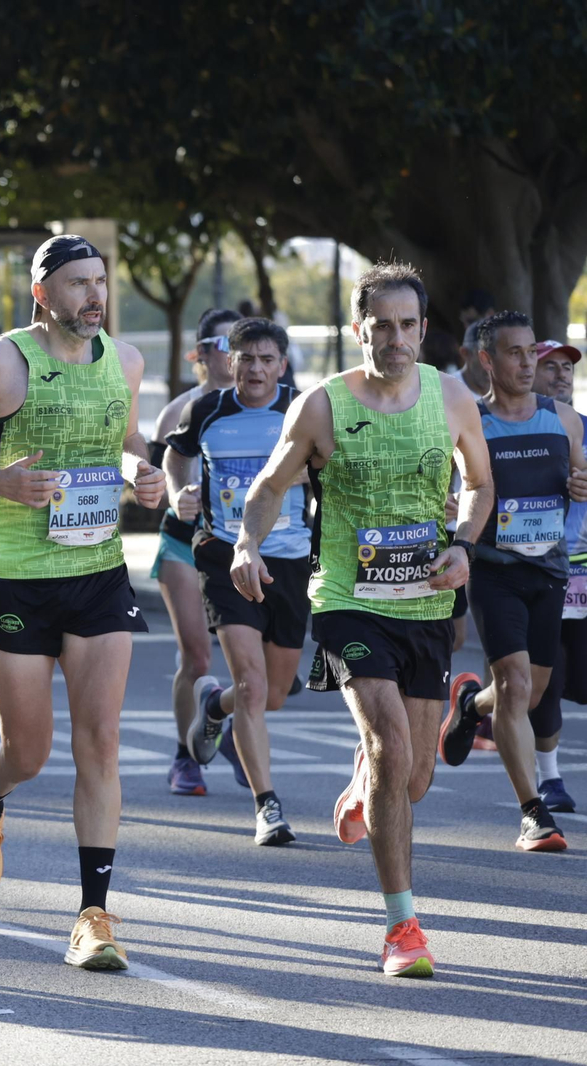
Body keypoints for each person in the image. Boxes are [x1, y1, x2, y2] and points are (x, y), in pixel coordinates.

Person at [229, 261, 492, 978]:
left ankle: (364, 782)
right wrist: (248, 543)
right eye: (382, 326)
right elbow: (268, 486)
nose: (396, 339)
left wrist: (464, 545)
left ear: (424, 329)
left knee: (412, 780)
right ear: (358, 330)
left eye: (409, 326)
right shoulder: (322, 405)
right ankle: (402, 927)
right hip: (347, 597)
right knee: (388, 746)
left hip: (428, 600)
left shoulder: (453, 398)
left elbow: (479, 483)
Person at [0, 234, 166, 971]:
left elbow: (123, 440)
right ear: (42, 294)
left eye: (101, 282)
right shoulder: (3, 361)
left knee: (102, 742)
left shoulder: (126, 360)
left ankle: (94, 916)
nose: (94, 295)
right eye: (78, 283)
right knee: (29, 750)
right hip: (18, 574)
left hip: (98, 571)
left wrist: (141, 473)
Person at [437, 313, 584, 852]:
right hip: (494, 574)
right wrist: (450, 510)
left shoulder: (564, 420)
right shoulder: (470, 422)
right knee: (519, 687)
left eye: (530, 353)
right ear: (487, 361)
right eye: (515, 353)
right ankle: (534, 815)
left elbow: (581, 482)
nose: (527, 363)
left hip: (548, 573)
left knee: (529, 691)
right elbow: (451, 489)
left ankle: (473, 705)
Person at [166, 318, 310, 845]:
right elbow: (176, 455)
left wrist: (291, 476)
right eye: (245, 358)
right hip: (223, 557)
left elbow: (332, 466)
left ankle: (213, 706)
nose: (255, 369)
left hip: (291, 560)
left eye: (266, 359)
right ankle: (267, 805)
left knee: (270, 694)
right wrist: (178, 492)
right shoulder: (206, 410)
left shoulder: (303, 409)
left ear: (282, 365)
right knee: (251, 685)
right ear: (229, 362)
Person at [152, 308, 238, 796]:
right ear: (201, 353)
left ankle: (219, 713)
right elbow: (156, 476)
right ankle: (186, 759)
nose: (234, 355)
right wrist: (175, 494)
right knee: (198, 656)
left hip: (242, 548)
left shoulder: (267, 408)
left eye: (240, 344)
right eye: (223, 345)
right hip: (184, 545)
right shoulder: (179, 411)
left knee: (269, 670)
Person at [529, 338, 583, 814]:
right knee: (546, 678)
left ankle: (473, 704)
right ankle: (551, 780)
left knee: (579, 682)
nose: (562, 374)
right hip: (532, 571)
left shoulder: (585, 429)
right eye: (551, 366)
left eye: (567, 367)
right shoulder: (513, 429)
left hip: (583, 572)